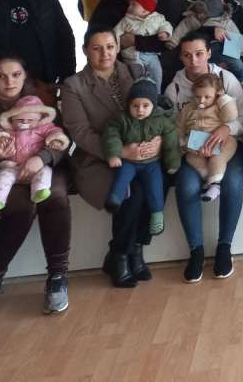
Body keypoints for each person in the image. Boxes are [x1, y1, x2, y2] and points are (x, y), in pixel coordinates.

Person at [0, 55, 71, 321]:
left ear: (25, 75)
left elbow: (61, 140)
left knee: (55, 196)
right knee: (20, 206)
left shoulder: (40, 97)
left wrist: (42, 158)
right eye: (1, 76)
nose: (10, 82)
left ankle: (57, 276)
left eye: (16, 75)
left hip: (43, 168)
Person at [62, 27, 158, 288]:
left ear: (117, 47)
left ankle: (134, 250)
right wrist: (120, 151)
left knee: (157, 184)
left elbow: (156, 112)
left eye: (110, 46)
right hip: (98, 158)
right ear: (85, 51)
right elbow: (81, 134)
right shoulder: (74, 86)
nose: (105, 53)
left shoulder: (135, 72)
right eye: (97, 48)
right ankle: (121, 256)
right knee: (132, 193)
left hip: (140, 152)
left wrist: (157, 141)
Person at [164, 31, 243, 281]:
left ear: (209, 53)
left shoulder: (226, 78)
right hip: (193, 152)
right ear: (181, 57)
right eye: (187, 55)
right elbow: (171, 128)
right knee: (186, 186)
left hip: (228, 146)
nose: (194, 61)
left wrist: (227, 129)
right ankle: (196, 251)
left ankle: (224, 247)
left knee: (232, 182)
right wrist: (186, 146)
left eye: (199, 54)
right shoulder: (174, 88)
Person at [103, 79, 180, 234]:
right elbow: (111, 135)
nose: (140, 110)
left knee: (155, 186)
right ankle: (115, 199)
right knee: (122, 177)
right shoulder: (121, 119)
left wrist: (172, 163)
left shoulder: (161, 120)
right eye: (135, 106)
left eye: (146, 106)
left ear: (153, 105)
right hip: (128, 161)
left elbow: (171, 142)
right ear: (129, 105)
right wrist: (114, 154)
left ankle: (157, 215)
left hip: (152, 163)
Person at [0, 95, 69, 211]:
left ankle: (38, 192)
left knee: (45, 173)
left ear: (39, 120)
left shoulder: (43, 128)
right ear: (12, 119)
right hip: (13, 166)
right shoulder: (9, 129)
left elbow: (55, 131)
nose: (25, 122)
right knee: (2, 177)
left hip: (37, 166)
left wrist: (56, 139)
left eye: (30, 120)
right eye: (20, 120)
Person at [89, 0, 166, 75]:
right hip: (116, 72)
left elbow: (164, 42)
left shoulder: (147, 5)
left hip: (152, 69)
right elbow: (98, 47)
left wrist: (135, 40)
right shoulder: (103, 13)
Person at [175, 72, 239, 202]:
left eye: (207, 97)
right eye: (198, 96)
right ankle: (208, 178)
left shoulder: (219, 106)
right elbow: (179, 126)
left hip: (220, 141)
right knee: (191, 158)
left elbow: (231, 116)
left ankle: (215, 185)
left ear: (216, 95)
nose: (201, 100)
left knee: (218, 158)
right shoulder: (188, 108)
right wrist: (183, 143)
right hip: (197, 144)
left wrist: (223, 98)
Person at [169, 0, 243, 83]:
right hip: (200, 52)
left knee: (237, 63)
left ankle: (242, 81)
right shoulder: (192, 20)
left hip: (224, 51)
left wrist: (242, 51)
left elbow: (234, 35)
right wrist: (173, 42)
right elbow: (181, 30)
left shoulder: (226, 21)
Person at [114, 0, 172, 86]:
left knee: (157, 72)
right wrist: (116, 47)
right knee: (137, 77)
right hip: (133, 55)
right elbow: (115, 33)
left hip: (152, 55)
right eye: (129, 4)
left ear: (145, 9)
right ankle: (139, 90)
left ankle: (157, 92)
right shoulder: (126, 20)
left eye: (133, 4)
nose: (129, 7)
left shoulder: (157, 18)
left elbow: (166, 25)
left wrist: (165, 32)